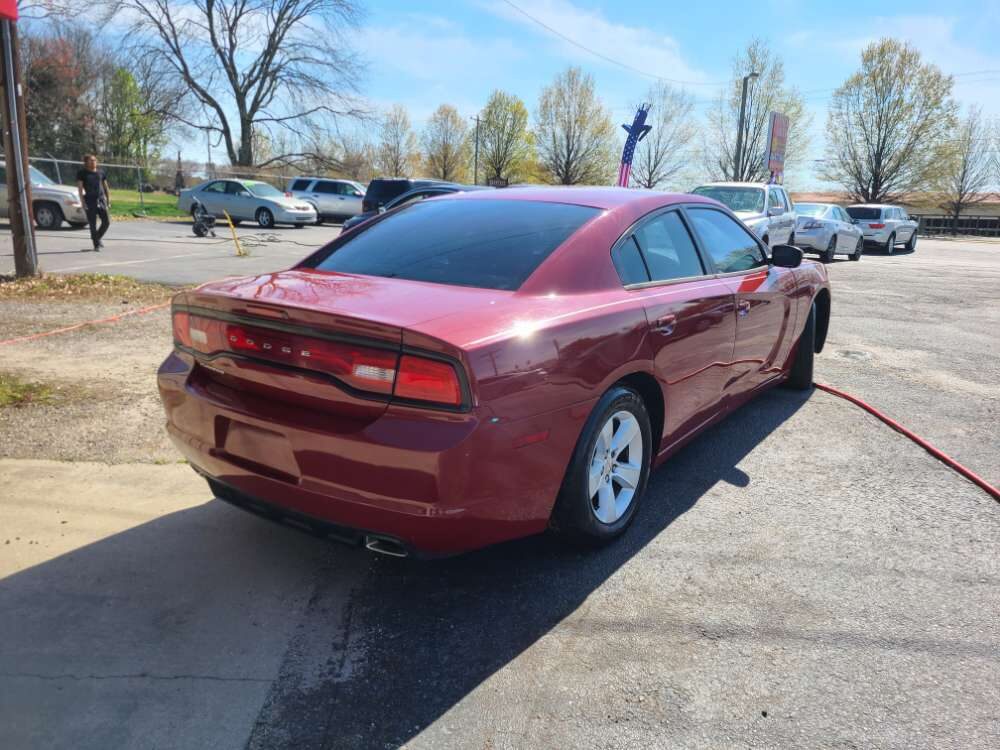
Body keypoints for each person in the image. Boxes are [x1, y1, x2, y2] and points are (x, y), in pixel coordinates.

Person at [76, 155, 111, 251]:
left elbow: (106, 187)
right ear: (86, 162)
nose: (93, 162)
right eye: (91, 160)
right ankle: (96, 245)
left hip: (101, 200)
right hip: (90, 201)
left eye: (94, 160)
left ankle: (97, 237)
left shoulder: (101, 172)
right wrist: (83, 203)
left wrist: (108, 201)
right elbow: (80, 189)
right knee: (92, 224)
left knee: (106, 222)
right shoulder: (82, 173)